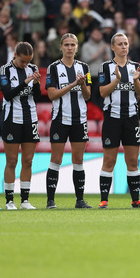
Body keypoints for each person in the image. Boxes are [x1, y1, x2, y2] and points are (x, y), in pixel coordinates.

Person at [97, 33, 140, 209]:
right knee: (109, 161)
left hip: (131, 118)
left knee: (133, 161)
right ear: (113, 47)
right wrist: (116, 79)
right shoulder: (105, 67)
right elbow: (102, 92)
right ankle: (104, 200)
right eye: (120, 44)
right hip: (112, 118)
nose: (124, 46)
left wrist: (135, 81)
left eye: (126, 43)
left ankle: (135, 200)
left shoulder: (136, 67)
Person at [45, 33, 92, 209]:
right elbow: (51, 95)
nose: (70, 48)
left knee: (78, 159)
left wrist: (82, 85)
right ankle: (50, 200)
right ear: (61, 47)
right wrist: (73, 84)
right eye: (67, 45)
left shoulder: (84, 67)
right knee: (56, 158)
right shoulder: (54, 68)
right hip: (60, 119)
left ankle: (80, 200)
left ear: (77, 47)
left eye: (73, 45)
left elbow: (87, 96)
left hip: (79, 119)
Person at [0, 42, 41, 210]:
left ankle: (25, 200)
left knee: (28, 161)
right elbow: (8, 94)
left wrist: (36, 83)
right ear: (15, 54)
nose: (26, 64)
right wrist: (25, 82)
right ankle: (9, 200)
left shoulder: (33, 68)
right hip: (12, 118)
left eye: (28, 61)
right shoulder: (5, 70)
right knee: (11, 161)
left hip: (30, 118)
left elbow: (37, 96)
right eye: (23, 61)